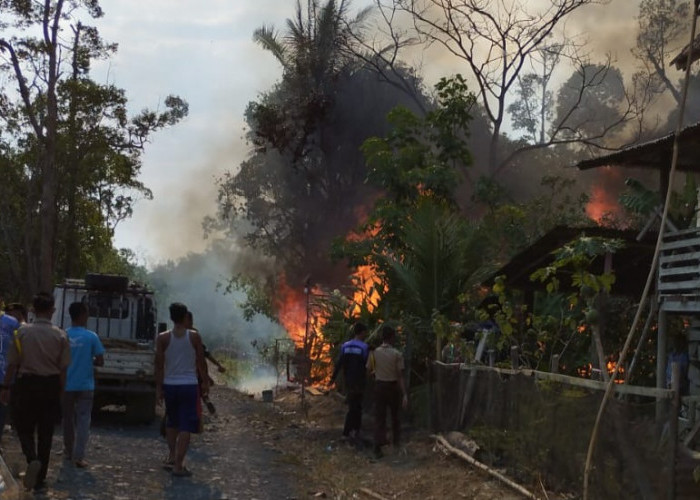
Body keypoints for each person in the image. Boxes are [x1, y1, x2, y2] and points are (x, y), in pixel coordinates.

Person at [0, 292, 71, 492]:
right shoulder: (60, 335)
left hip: (26, 385)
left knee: (23, 428)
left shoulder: (22, 333)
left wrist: (5, 387)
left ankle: (32, 458)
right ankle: (40, 479)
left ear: (32, 309)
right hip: (50, 385)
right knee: (46, 433)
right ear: (52, 310)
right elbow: (63, 369)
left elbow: (12, 364)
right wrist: (61, 392)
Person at [155, 303, 208, 477]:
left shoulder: (162, 338)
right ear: (185, 316)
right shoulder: (194, 337)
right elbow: (201, 362)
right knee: (186, 425)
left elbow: (159, 366)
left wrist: (159, 388)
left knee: (172, 422)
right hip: (189, 386)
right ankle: (179, 465)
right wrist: (205, 383)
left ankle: (172, 457)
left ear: (171, 317)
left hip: (170, 385)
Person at [62, 302, 105, 468]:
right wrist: (89, 359)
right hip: (86, 385)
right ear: (82, 315)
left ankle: (68, 451)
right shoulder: (91, 336)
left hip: (66, 384)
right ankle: (79, 456)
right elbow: (100, 361)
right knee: (83, 420)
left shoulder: (62, 335)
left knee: (67, 420)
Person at [367, 325, 407, 459]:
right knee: (395, 417)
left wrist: (376, 376)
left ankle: (377, 448)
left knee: (379, 417)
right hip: (393, 387)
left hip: (379, 387)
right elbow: (400, 376)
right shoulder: (397, 354)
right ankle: (396, 444)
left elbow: (369, 370)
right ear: (392, 337)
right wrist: (404, 394)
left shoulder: (374, 353)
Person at [329, 322, 369, 444]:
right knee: (356, 407)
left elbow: (339, 363)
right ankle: (349, 432)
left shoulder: (345, 346)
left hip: (348, 381)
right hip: (359, 381)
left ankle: (354, 431)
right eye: (364, 333)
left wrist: (333, 378)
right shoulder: (364, 347)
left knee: (354, 406)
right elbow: (366, 364)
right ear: (361, 333)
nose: (365, 335)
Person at [0, 302, 20, 445]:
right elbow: (19, 352)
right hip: (5, 376)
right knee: (1, 411)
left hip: (5, 376)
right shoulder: (12, 323)